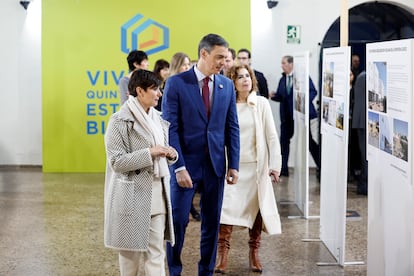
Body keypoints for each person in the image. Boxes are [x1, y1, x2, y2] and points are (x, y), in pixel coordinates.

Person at [162, 33, 240, 276]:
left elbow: (231, 126)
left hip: (215, 165)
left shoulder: (226, 85)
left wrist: (233, 164)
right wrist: (178, 166)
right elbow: (170, 128)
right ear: (203, 54)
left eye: (225, 58)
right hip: (185, 165)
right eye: (219, 57)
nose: (223, 62)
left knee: (211, 223)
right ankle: (174, 269)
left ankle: (205, 270)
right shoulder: (176, 83)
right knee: (178, 221)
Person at [104, 69, 178, 276]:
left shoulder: (159, 120)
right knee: (130, 258)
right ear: (139, 91)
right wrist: (150, 153)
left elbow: (162, 155)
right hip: (131, 195)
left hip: (158, 194)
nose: (159, 94)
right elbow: (116, 162)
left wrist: (171, 155)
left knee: (156, 254)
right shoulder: (119, 121)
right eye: (155, 89)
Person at [215, 64, 282, 274]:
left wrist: (275, 165)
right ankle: (222, 256)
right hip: (232, 169)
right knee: (226, 212)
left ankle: (254, 254)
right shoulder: (226, 104)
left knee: (257, 212)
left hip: (256, 169)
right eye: (240, 77)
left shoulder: (260, 103)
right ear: (232, 82)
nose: (245, 80)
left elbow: (272, 136)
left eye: (247, 76)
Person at [271, 56, 320, 177]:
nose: (282, 65)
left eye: (283, 63)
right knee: (284, 143)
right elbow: (281, 96)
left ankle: (321, 165)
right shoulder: (283, 79)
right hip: (286, 117)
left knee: (308, 142)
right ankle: (283, 169)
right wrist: (273, 96)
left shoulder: (302, 77)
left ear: (291, 64)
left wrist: (302, 102)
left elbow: (313, 91)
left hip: (300, 116)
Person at [168, 51, 201, 221]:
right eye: (184, 64)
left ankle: (192, 211)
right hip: (177, 151)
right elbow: (170, 125)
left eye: (189, 64)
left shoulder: (194, 87)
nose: (188, 68)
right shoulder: (171, 86)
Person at [351, 71, 367, 195]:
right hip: (363, 122)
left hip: (361, 121)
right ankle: (363, 186)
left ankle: (363, 185)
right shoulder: (365, 77)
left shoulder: (362, 76)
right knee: (365, 157)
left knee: (364, 156)